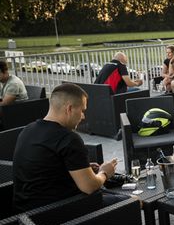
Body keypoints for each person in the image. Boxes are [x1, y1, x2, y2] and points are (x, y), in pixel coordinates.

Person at [12, 83, 121, 213]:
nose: (83, 116)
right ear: (69, 109)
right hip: (58, 214)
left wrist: (81, 168)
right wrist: (105, 172)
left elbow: (45, 170)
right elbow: (89, 187)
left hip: (25, 215)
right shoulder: (68, 139)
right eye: (82, 111)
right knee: (133, 201)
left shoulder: (27, 130)